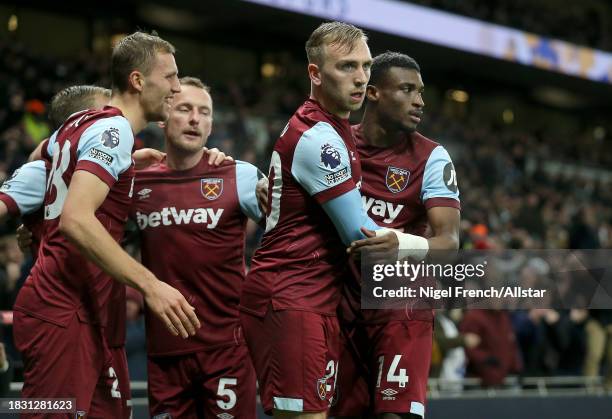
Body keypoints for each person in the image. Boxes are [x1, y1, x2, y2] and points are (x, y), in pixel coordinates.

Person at [11, 31, 200, 418]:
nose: (177, 88)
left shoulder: (84, 122)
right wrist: (151, 285)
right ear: (137, 80)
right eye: (170, 77)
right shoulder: (112, 132)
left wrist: (39, 220)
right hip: (62, 310)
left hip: (88, 311)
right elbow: (77, 220)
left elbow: (39, 155)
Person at [240, 21, 389, 418]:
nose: (361, 79)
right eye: (346, 67)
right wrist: (428, 249)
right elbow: (361, 236)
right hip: (292, 300)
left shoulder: (334, 129)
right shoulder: (320, 139)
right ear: (315, 73)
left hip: (309, 299)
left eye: (366, 65)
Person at [331, 52, 461, 418]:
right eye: (407, 90)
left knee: (395, 413)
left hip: (402, 305)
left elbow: (449, 243)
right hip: (339, 303)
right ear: (373, 93)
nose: (419, 101)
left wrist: (401, 243)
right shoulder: (334, 145)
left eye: (420, 92)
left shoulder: (432, 157)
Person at [130, 76, 261, 418]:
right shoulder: (135, 183)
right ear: (163, 117)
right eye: (185, 109)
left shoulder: (240, 175)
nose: (194, 119)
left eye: (204, 112)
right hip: (164, 355)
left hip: (227, 351)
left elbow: (290, 230)